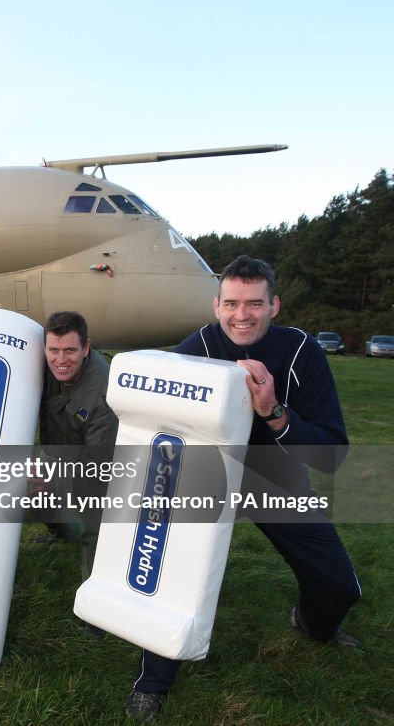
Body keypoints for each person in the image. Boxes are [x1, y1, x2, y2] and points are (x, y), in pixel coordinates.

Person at [124, 255, 362, 722]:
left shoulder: (301, 352)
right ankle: (152, 682)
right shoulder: (195, 350)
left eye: (254, 303)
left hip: (274, 475)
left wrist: (274, 411)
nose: (242, 315)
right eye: (231, 303)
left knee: (340, 587)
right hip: (207, 473)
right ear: (216, 305)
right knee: (174, 569)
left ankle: (312, 623)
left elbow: (331, 454)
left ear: (275, 304)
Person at [36, 311, 119, 586]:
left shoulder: (103, 394)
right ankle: (63, 531)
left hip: (101, 463)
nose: (60, 360)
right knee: (28, 492)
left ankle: (95, 598)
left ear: (86, 347)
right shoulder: (38, 364)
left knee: (96, 524)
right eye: (54, 350)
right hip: (59, 447)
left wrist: (54, 480)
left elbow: (96, 464)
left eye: (70, 350)